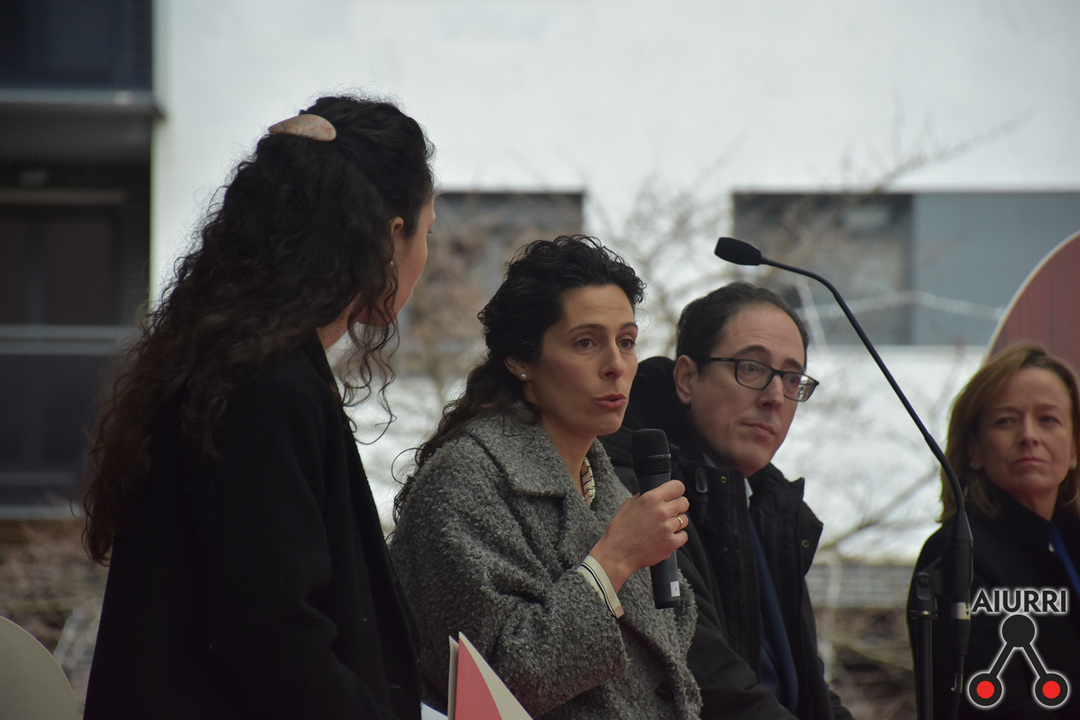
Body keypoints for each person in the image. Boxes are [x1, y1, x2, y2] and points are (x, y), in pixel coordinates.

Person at [80, 94, 436, 720]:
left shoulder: (244, 367)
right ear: (390, 237)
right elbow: (275, 643)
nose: (426, 258)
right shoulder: (267, 387)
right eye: (428, 234)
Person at [390, 235, 701, 719]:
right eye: (585, 343)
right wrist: (613, 560)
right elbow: (499, 682)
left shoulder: (606, 485)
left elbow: (669, 656)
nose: (616, 366)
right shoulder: (465, 481)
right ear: (521, 359)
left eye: (626, 342)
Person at [602, 282, 854, 720]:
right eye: (751, 368)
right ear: (687, 378)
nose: (774, 398)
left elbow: (807, 685)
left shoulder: (771, 508)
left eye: (791, 378)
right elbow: (713, 685)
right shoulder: (640, 493)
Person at [909, 342, 1080, 719]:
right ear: (974, 449)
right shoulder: (957, 554)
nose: (1029, 436)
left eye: (1048, 419)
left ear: (1074, 449)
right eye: (1006, 421)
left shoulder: (1067, 544)